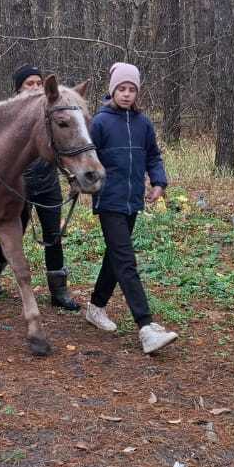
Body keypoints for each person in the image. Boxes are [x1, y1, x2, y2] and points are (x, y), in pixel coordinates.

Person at [83, 62, 178, 354]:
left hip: (132, 200)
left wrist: (158, 181)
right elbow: (85, 158)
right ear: (112, 90)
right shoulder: (99, 122)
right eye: (121, 89)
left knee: (115, 256)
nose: (126, 94)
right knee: (126, 260)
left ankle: (96, 307)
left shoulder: (143, 123)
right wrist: (86, 183)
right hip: (108, 199)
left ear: (137, 92)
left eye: (131, 89)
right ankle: (146, 327)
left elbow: (153, 155)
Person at [0, 64, 79, 311]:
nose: (35, 87)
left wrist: (72, 178)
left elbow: (62, 149)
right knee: (15, 235)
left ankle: (59, 291)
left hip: (47, 186)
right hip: (17, 188)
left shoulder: (49, 114)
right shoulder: (9, 119)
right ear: (18, 89)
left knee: (53, 236)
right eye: (29, 84)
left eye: (38, 83)